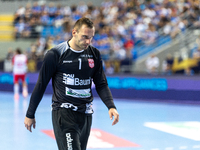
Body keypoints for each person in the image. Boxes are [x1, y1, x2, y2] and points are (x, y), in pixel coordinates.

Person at [24, 17, 119, 150]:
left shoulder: (94, 54)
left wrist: (111, 106)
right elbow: (41, 84)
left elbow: (101, 84)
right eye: (84, 37)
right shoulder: (55, 54)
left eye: (91, 37)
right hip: (64, 112)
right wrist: (30, 113)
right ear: (74, 32)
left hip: (86, 114)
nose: (88, 41)